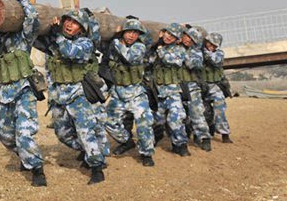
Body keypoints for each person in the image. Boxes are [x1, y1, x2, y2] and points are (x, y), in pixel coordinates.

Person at [0, 0, 44, 186]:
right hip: (6, 95)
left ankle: (37, 169)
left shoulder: (22, 38)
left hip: (24, 91)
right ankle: (25, 156)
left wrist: (23, 2)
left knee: (24, 133)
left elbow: (33, 20)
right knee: (5, 136)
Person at [44, 10, 106, 184]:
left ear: (82, 29)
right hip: (58, 96)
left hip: (77, 95)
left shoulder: (85, 44)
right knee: (62, 134)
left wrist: (57, 35)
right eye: (67, 20)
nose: (69, 24)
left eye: (75, 22)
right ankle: (90, 151)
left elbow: (69, 52)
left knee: (85, 132)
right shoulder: (56, 41)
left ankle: (97, 168)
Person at [102, 18, 156, 166]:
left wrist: (116, 41)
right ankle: (127, 141)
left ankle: (146, 153)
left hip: (136, 93)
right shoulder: (115, 45)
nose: (132, 35)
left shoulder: (139, 47)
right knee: (107, 121)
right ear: (123, 32)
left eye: (135, 33)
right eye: (129, 32)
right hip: (118, 93)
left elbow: (130, 58)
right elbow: (99, 45)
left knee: (144, 123)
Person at [149, 23, 191, 156]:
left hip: (172, 92)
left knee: (176, 119)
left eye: (173, 36)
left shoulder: (179, 50)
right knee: (157, 121)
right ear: (163, 32)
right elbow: (146, 60)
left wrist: (160, 49)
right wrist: (156, 44)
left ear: (177, 39)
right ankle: (154, 140)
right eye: (167, 33)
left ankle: (181, 144)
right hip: (157, 93)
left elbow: (172, 61)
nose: (169, 37)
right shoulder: (155, 49)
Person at [181, 26, 213, 152]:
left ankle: (205, 138)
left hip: (192, 86)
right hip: (179, 86)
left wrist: (182, 53)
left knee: (196, 113)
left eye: (191, 38)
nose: (187, 39)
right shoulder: (177, 48)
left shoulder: (196, 52)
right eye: (186, 36)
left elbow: (191, 64)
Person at [203, 33, 233, 143]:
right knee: (205, 112)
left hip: (216, 86)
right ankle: (209, 130)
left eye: (214, 45)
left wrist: (205, 53)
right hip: (203, 87)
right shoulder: (199, 53)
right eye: (209, 43)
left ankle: (225, 134)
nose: (211, 46)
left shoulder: (219, 53)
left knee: (220, 110)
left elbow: (215, 61)